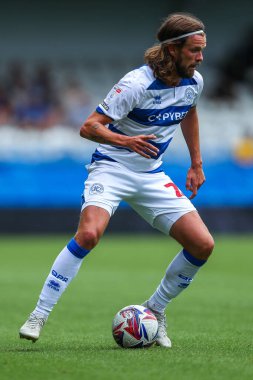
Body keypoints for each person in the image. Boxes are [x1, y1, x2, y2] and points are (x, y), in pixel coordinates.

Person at [19, 12, 214, 348]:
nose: (200, 57)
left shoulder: (193, 82)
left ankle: (155, 310)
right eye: (194, 50)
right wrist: (126, 141)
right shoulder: (136, 83)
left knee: (202, 244)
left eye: (202, 50)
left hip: (151, 174)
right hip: (111, 167)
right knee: (89, 234)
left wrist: (196, 163)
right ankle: (39, 314)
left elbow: (189, 110)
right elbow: (89, 126)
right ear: (172, 50)